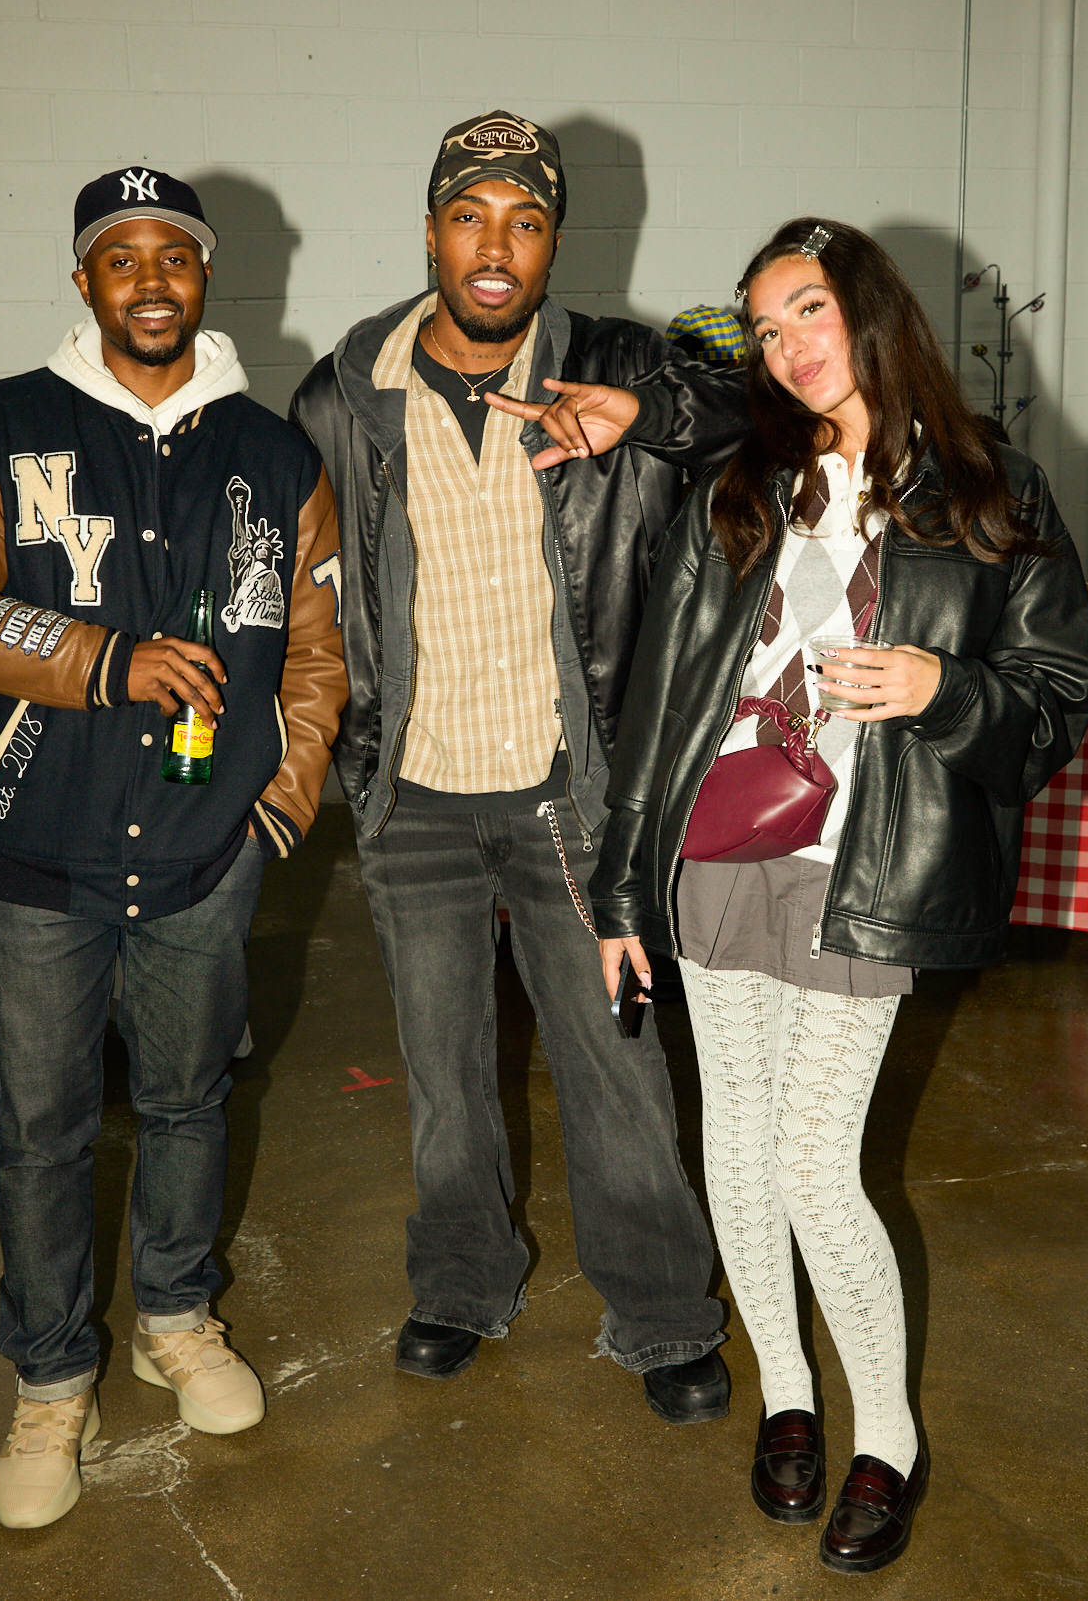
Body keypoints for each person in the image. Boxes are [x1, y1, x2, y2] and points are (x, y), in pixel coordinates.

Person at [587, 218, 1088, 1572]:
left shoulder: (992, 491)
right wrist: (618, 889)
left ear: (870, 309)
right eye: (765, 327)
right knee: (738, 1149)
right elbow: (660, 697)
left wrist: (944, 688)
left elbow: (1052, 706)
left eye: (807, 310)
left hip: (867, 865)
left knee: (816, 1163)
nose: (787, 347)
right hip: (717, 848)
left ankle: (889, 1434)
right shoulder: (744, 485)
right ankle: (788, 1397)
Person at [0, 168, 348, 1530]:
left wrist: (277, 806)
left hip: (207, 853)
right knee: (40, 1129)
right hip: (40, 853)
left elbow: (316, 650)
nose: (152, 279)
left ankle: (176, 1317)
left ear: (205, 276)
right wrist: (101, 660)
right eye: (122, 256)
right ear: (84, 278)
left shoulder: (273, 456)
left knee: (191, 1100)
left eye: (175, 256)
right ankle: (49, 1378)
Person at [289, 111, 748, 1420]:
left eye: (526, 222)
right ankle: (459, 1283)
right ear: (432, 231)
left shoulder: (621, 362)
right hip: (415, 796)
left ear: (554, 243)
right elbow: (307, 575)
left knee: (615, 1070)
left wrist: (644, 410)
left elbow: (753, 414)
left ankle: (663, 1313)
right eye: (470, 217)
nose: (496, 248)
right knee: (442, 1076)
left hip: (569, 792)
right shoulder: (344, 390)